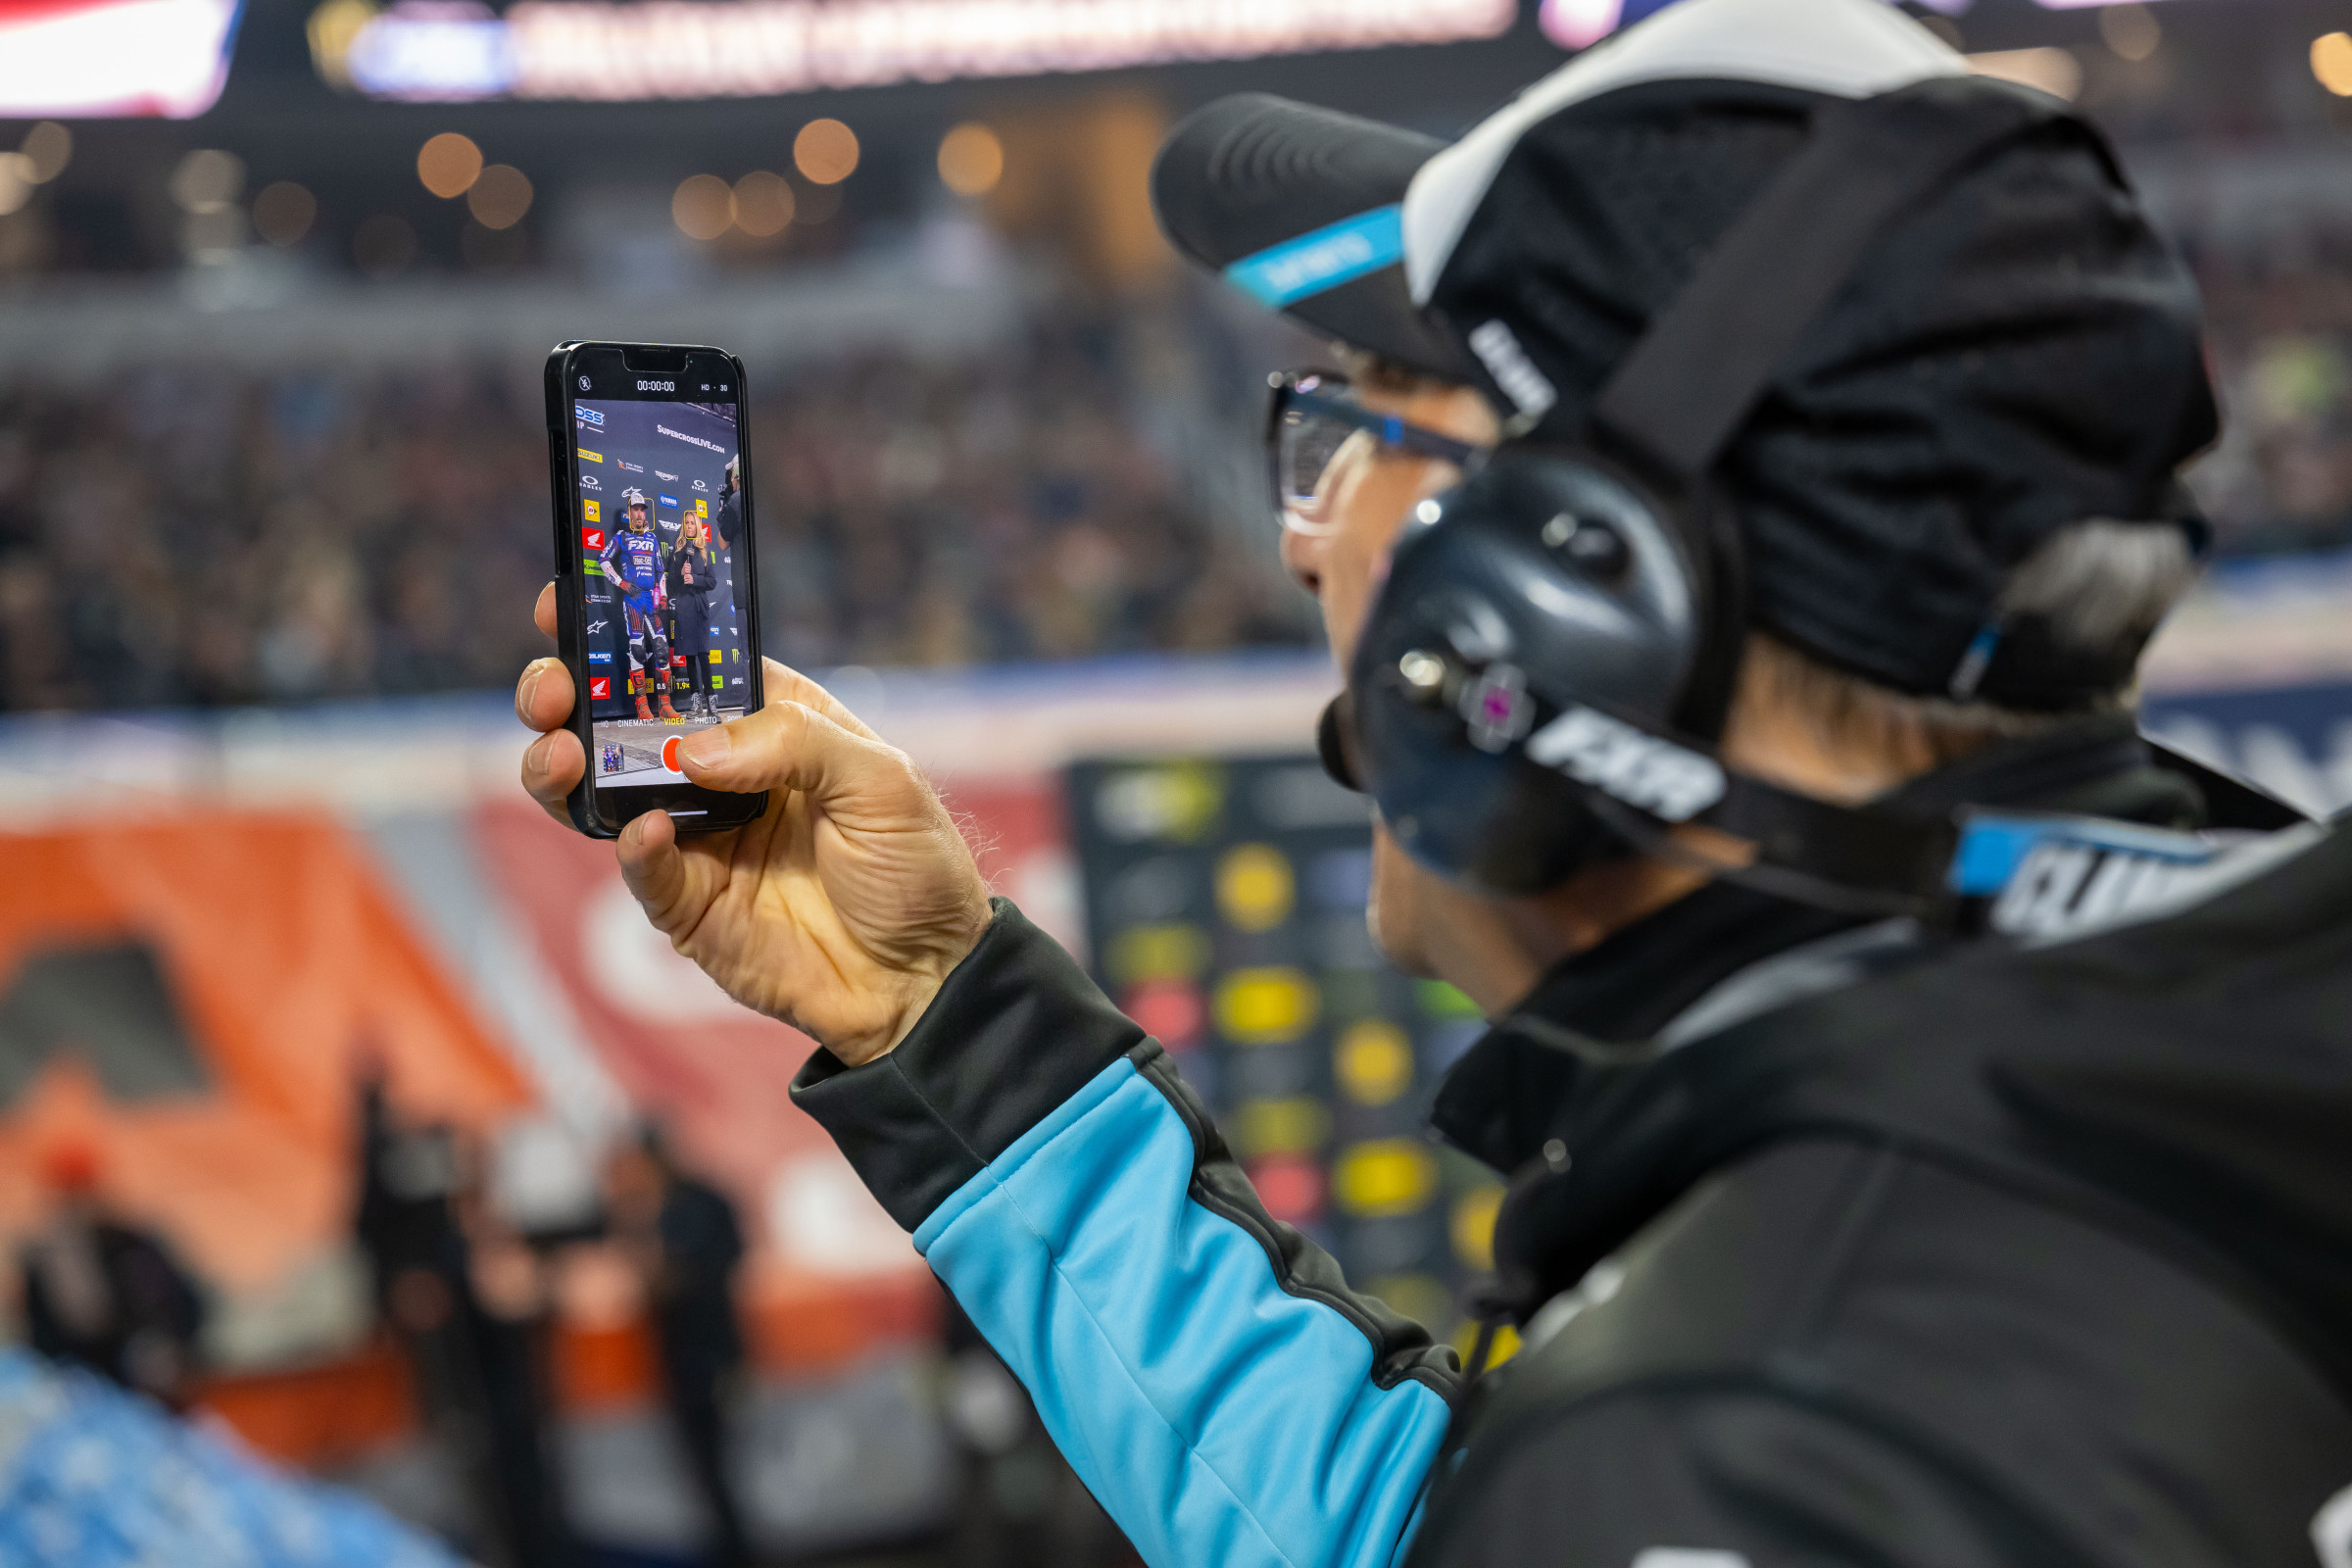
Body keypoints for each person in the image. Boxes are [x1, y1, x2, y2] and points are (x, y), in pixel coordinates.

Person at [515, 2, 2352, 1564]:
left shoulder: (1772, 1436)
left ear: (1568, 587)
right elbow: (1445, 1521)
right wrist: (944, 1017)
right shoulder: (2121, 1110)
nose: (1311, 551)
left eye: (1350, 436)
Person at [602, 1129, 752, 1568]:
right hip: (681, 1357)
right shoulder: (660, 1207)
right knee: (703, 1470)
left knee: (724, 1466)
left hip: (710, 1352)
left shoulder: (693, 1207)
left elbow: (680, 1274)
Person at [18, 1139, 206, 1410]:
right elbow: (49, 1339)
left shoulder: (134, 1243)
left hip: (152, 1386)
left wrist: (172, 1351)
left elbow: (189, 1305)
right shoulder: (47, 1258)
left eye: (82, 1187)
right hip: (87, 1394)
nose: (78, 1199)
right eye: (71, 1189)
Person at [601, 489, 678, 724]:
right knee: (637, 650)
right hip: (632, 600)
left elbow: (659, 570)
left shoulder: (652, 539)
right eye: (635, 509)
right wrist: (621, 583)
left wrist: (663, 595)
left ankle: (665, 705)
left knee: (662, 650)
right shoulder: (621, 537)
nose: (638, 514)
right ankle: (642, 706)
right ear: (628, 512)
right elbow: (603, 559)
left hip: (650, 599)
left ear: (645, 514)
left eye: (642, 510)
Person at [665, 516, 721, 722]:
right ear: (683, 526)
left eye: (692, 523)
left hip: (700, 607)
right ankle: (696, 703)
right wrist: (680, 575)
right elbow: (670, 583)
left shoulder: (704, 553)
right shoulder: (678, 553)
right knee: (689, 656)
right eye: (686, 523)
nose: (689, 526)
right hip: (684, 607)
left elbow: (712, 581)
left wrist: (695, 579)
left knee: (703, 655)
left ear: (697, 527)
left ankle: (711, 702)